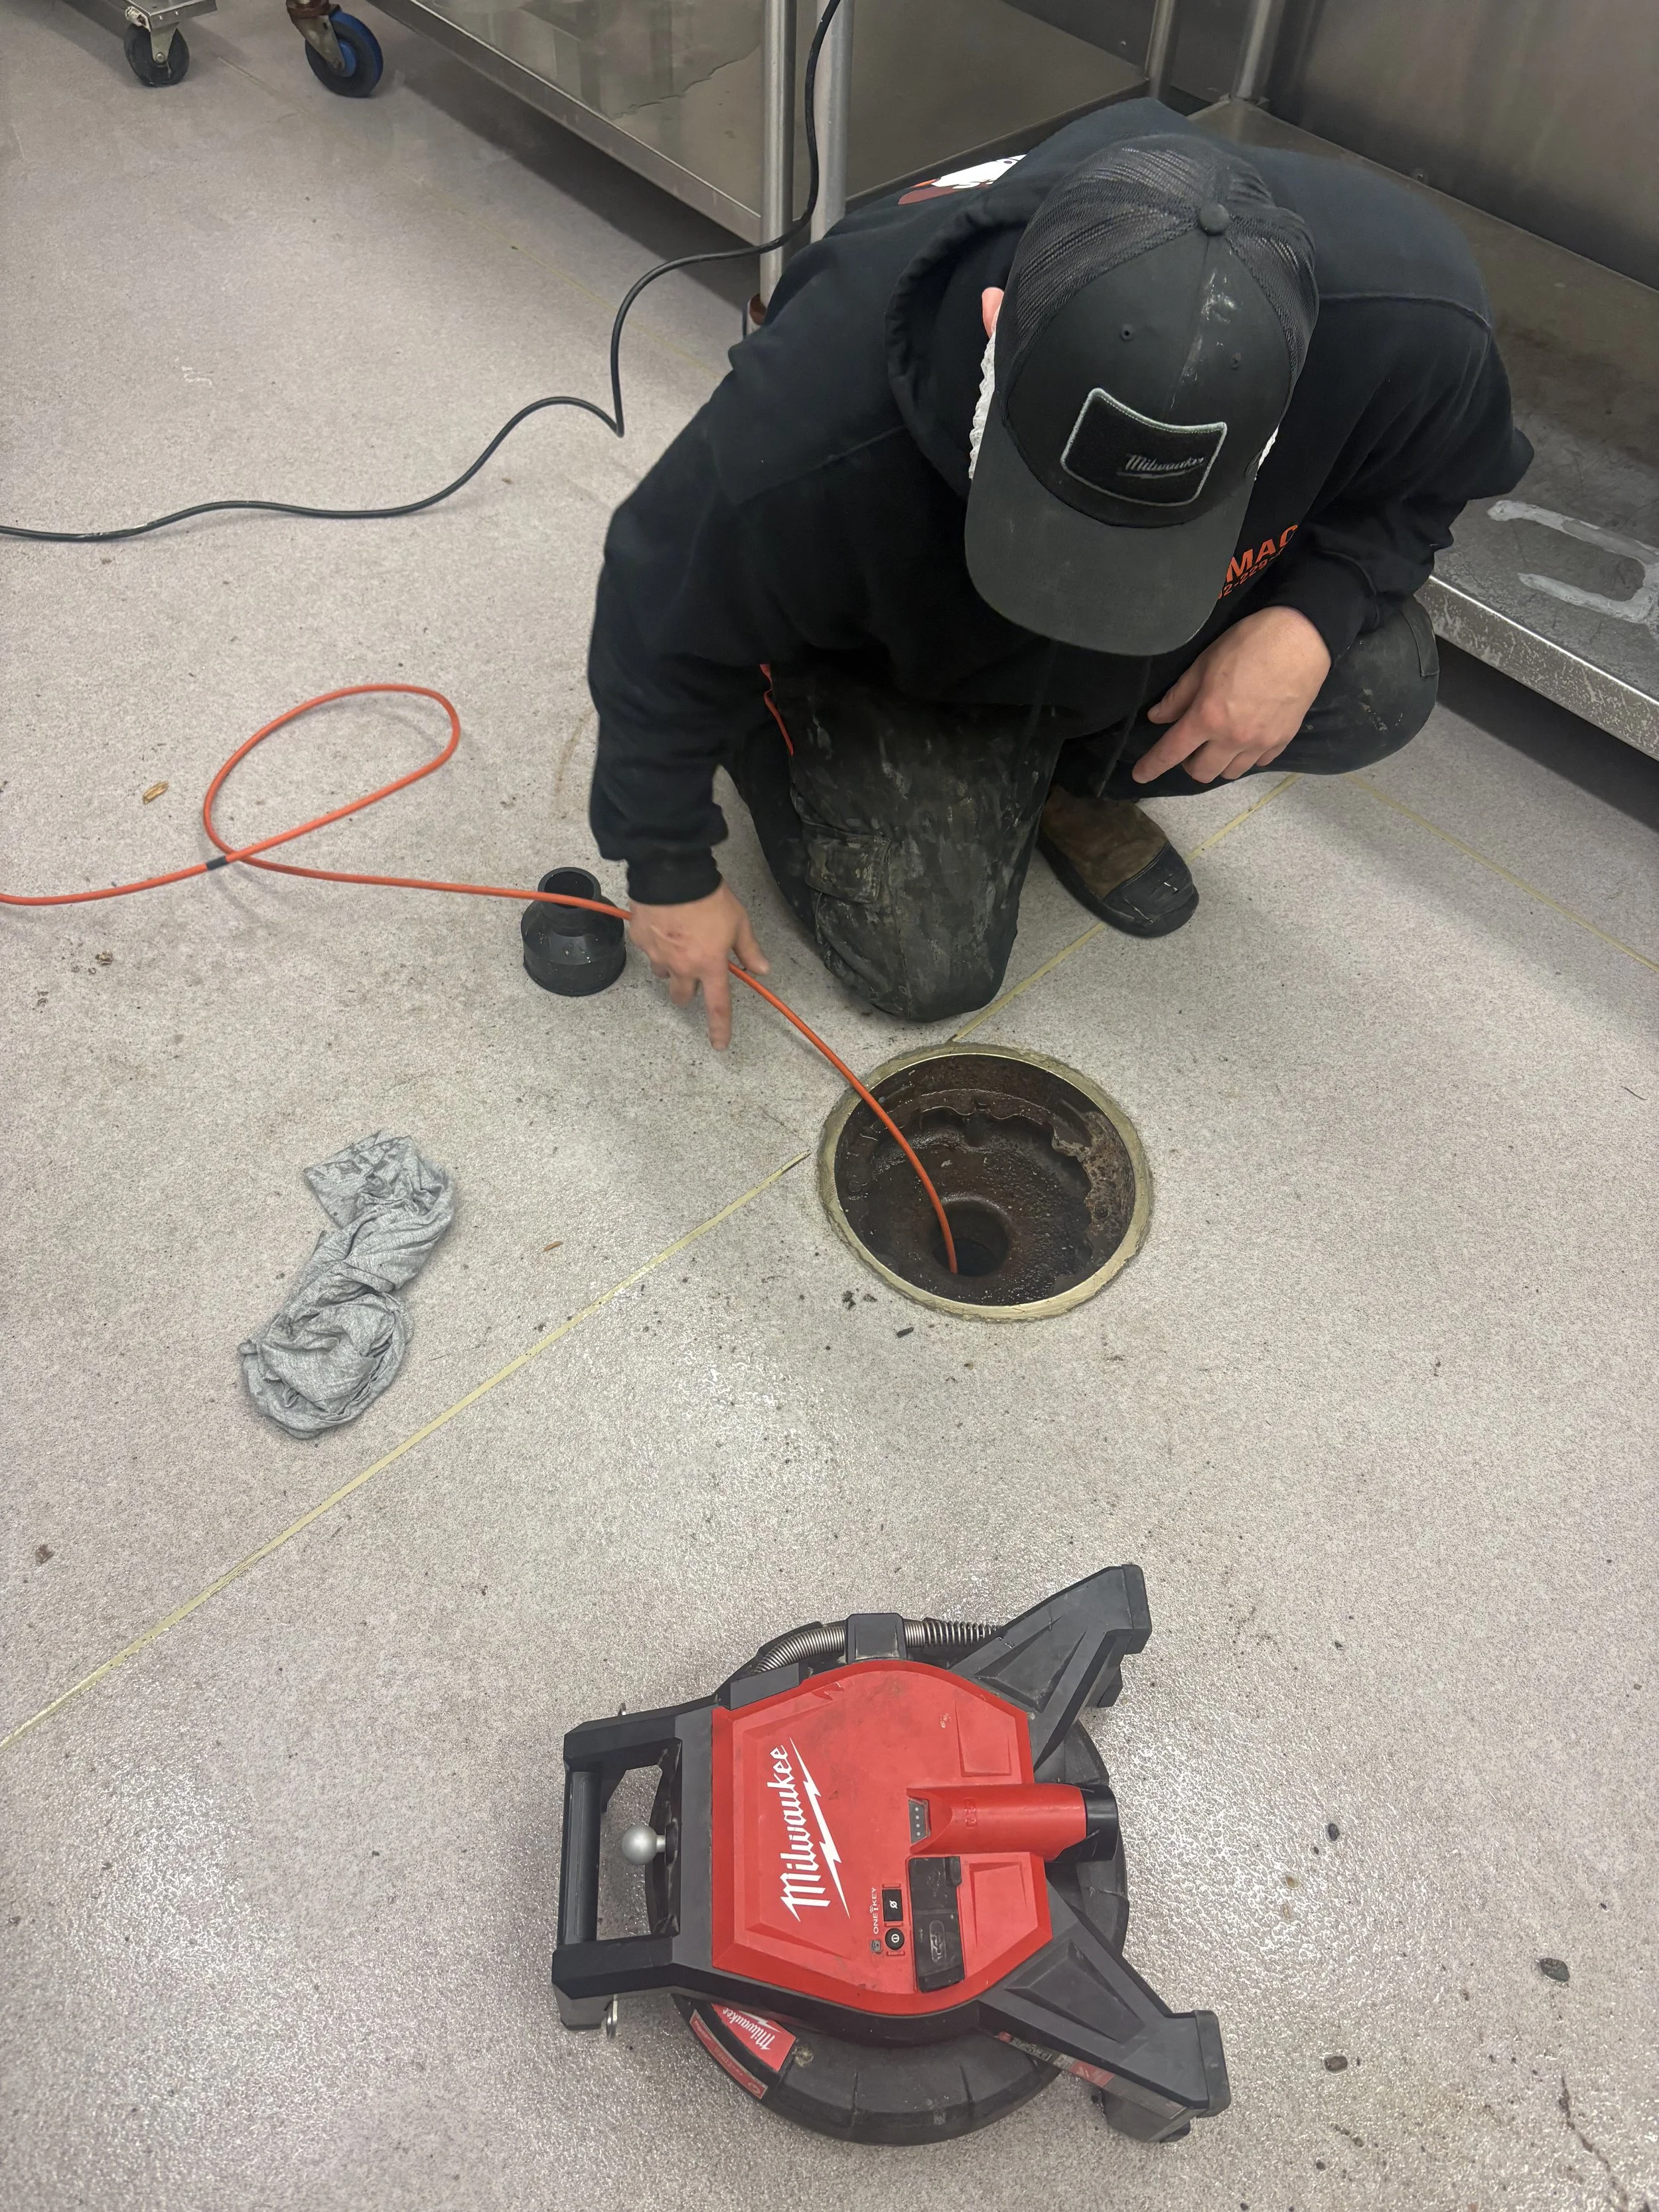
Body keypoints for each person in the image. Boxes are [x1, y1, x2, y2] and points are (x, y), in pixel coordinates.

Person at [586, 100, 1531, 1047]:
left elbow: (1427, 487)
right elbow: (659, 604)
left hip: (1145, 646)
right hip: (902, 655)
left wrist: (1316, 617)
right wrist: (671, 869)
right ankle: (798, 728)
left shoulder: (1411, 328)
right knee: (927, 966)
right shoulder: (818, 417)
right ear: (998, 323)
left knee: (1380, 680)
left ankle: (1071, 777)